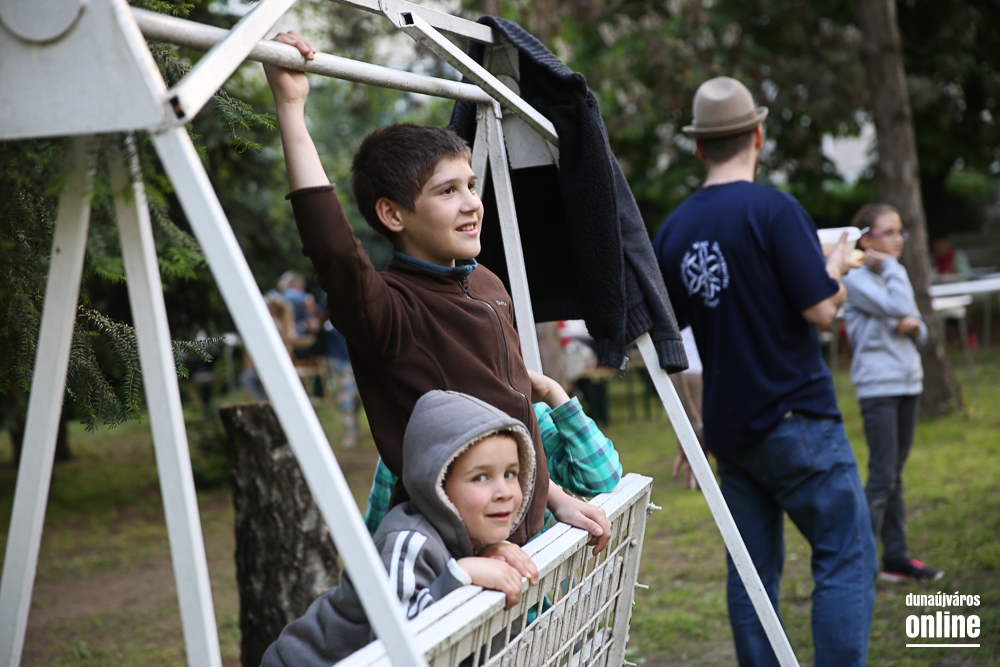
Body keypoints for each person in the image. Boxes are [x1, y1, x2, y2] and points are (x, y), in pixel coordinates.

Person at [263, 31, 609, 549]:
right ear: (391, 214)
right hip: (455, 559)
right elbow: (334, 251)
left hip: (526, 539)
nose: (471, 202)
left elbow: (512, 420)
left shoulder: (487, 284)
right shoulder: (388, 312)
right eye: (447, 191)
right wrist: (291, 108)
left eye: (470, 185)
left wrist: (555, 498)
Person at [651, 77, 877, 667]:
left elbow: (666, 345)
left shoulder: (673, 232)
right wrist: (835, 270)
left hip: (730, 433)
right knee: (845, 557)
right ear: (757, 136)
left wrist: (691, 424)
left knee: (751, 577)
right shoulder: (775, 209)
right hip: (799, 420)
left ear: (699, 146)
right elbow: (821, 311)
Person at [261, 390, 541, 666]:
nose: (504, 491)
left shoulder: (470, 539)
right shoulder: (408, 541)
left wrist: (486, 554)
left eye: (510, 474)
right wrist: (462, 574)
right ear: (437, 484)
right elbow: (399, 644)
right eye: (480, 477)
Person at [364, 370, 622, 535]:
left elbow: (601, 476)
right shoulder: (412, 444)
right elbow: (377, 543)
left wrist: (551, 391)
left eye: (512, 473)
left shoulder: (528, 418)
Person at [843, 204, 943, 582]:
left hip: (907, 381)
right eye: (890, 232)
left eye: (901, 231)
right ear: (867, 241)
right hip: (878, 388)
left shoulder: (890, 275)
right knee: (882, 476)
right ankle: (861, 566)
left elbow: (921, 330)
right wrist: (894, 270)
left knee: (895, 475)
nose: (899, 239)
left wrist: (915, 327)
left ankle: (896, 558)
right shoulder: (858, 280)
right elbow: (900, 307)